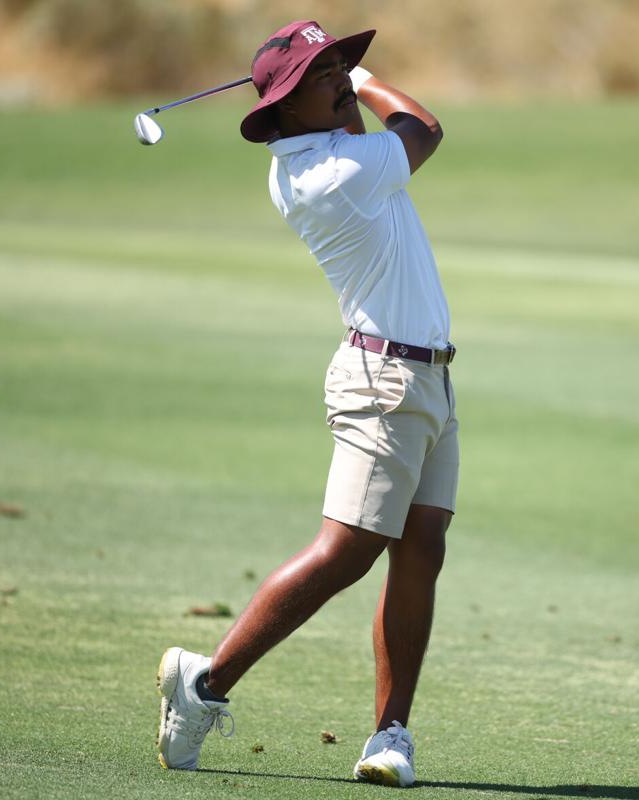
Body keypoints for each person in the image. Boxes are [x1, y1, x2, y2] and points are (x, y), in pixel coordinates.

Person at [154, 19, 458, 789]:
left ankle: (391, 735)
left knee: (421, 548)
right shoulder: (334, 174)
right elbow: (423, 126)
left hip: (427, 380)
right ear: (287, 107)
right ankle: (204, 683)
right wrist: (361, 77)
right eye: (321, 75)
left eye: (338, 69)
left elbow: (366, 131)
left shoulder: (326, 154)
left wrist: (334, 80)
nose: (339, 80)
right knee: (346, 552)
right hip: (384, 383)